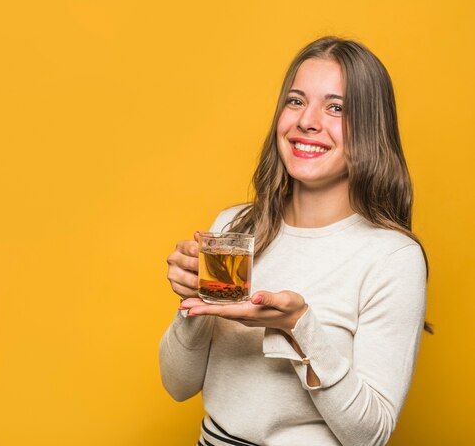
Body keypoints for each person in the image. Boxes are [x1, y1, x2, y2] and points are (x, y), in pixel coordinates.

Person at [159, 36, 429, 446]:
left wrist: (297, 328)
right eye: (296, 101)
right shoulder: (235, 227)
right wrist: (193, 306)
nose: (307, 121)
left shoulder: (392, 257)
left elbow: (369, 436)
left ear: (372, 129)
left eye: (336, 108)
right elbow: (178, 386)